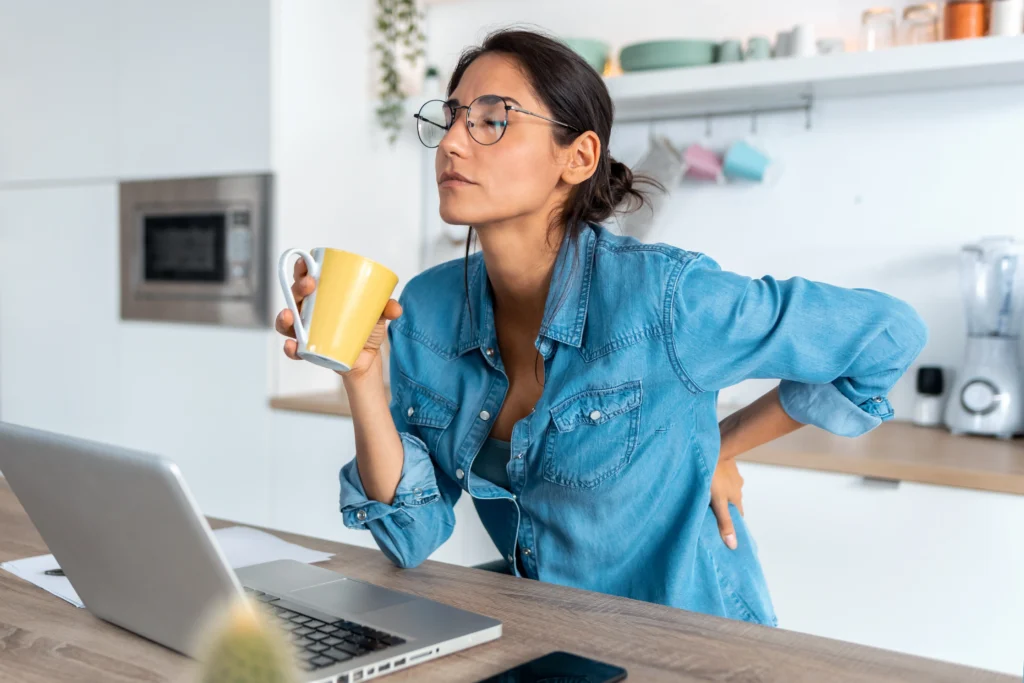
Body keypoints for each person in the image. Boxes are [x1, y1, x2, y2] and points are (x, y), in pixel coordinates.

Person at [275, 29, 927, 625]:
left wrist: (718, 448)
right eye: (450, 117)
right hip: (551, 637)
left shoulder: (665, 298)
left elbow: (887, 334)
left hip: (694, 643)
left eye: (492, 120)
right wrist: (361, 374)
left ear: (579, 156)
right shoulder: (426, 310)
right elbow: (409, 531)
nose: (452, 141)